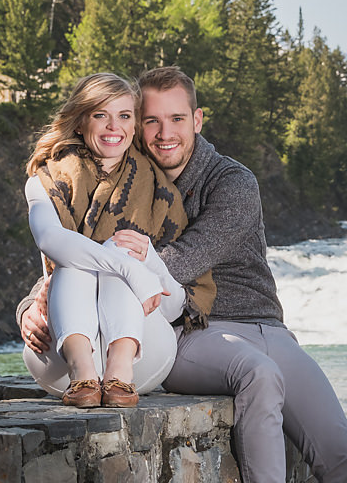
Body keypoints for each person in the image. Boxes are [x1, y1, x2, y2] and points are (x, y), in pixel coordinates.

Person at [18, 66, 347, 483]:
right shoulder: (124, 178)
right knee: (255, 374)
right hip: (192, 332)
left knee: (342, 455)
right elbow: (73, 251)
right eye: (151, 121)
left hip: (265, 326)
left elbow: (188, 255)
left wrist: (133, 259)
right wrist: (35, 299)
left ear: (197, 120)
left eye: (176, 119)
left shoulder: (232, 181)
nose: (164, 133)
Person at [21, 72, 215, 408]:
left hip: (146, 354)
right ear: (81, 121)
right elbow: (50, 239)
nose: (114, 127)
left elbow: (173, 306)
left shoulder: (159, 193)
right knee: (79, 256)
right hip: (59, 364)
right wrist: (130, 269)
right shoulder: (45, 181)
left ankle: (119, 371)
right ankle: (83, 371)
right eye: (101, 115)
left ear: (135, 124)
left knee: (119, 245)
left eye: (125, 116)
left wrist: (145, 263)